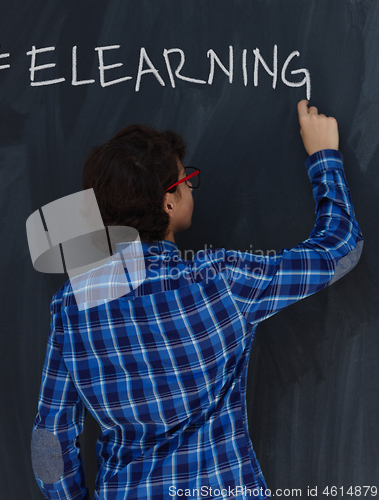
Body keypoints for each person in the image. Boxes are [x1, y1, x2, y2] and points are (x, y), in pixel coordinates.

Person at [30, 100, 363, 499]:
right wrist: (324, 156)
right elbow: (341, 249)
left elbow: (50, 439)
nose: (190, 185)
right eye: (187, 180)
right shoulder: (221, 281)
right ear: (169, 202)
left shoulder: (72, 306)